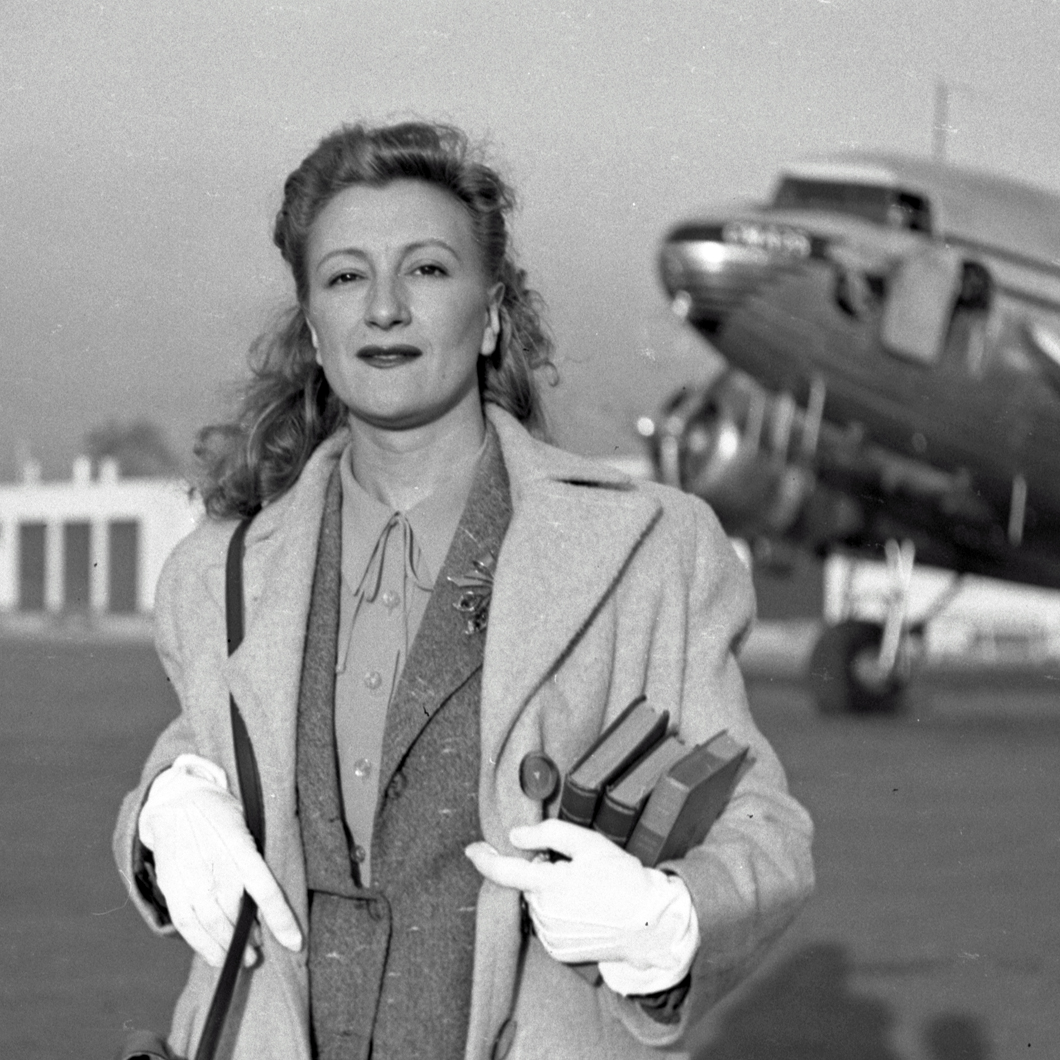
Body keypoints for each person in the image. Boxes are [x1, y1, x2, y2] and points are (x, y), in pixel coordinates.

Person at [113, 119, 814, 1060]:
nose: (386, 309)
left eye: (429, 270)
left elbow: (763, 829)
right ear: (315, 331)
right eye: (346, 276)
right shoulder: (220, 573)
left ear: (490, 318)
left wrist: (671, 920)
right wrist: (158, 816)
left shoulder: (651, 549)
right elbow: (204, 753)